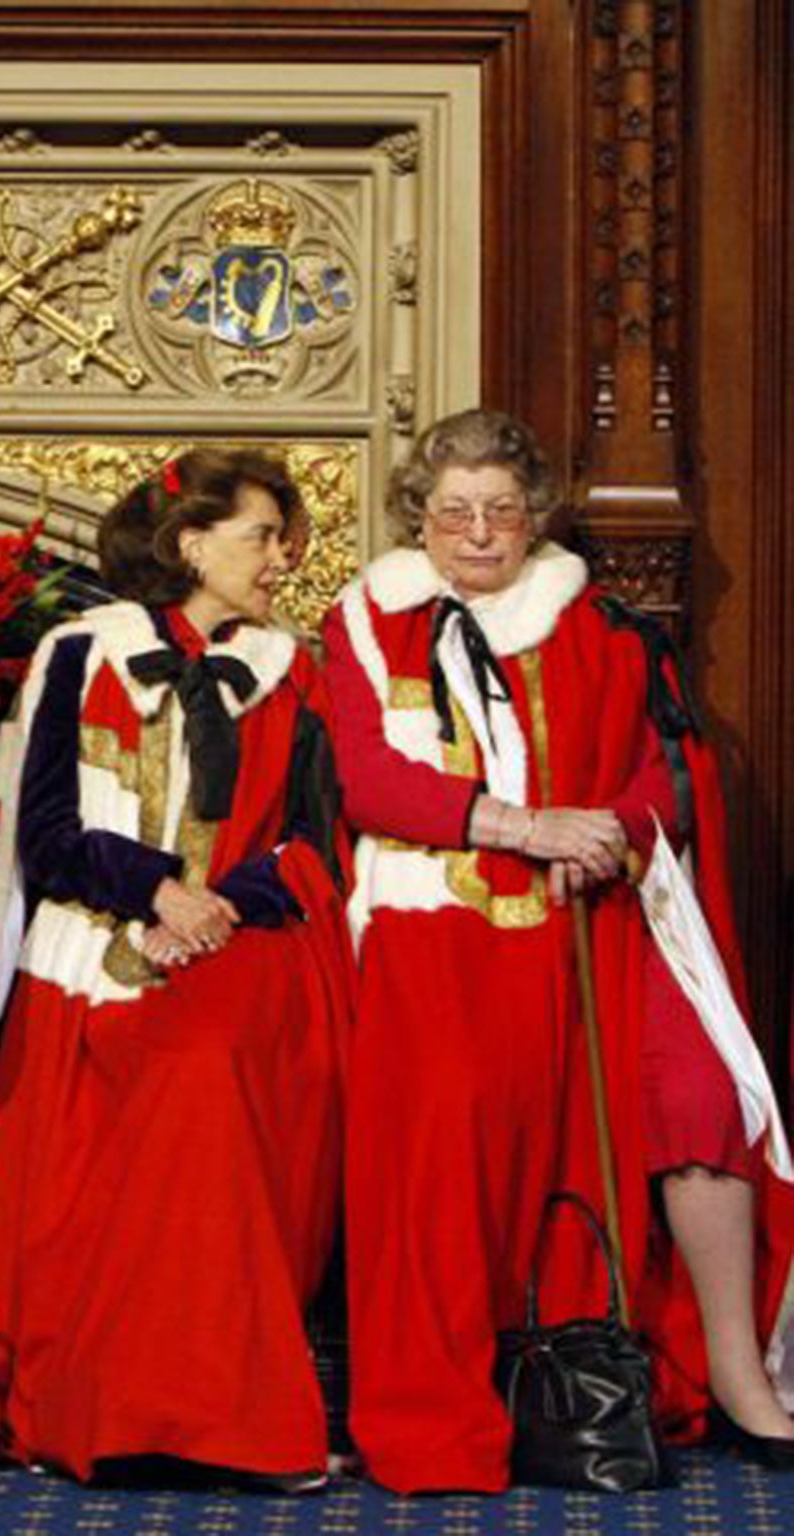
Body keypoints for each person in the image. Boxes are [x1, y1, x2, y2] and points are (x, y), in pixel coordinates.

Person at [328, 408, 794, 1493]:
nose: (477, 533)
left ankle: (670, 1382)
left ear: (533, 519)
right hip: (431, 933)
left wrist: (607, 835)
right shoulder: (366, 620)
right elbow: (358, 774)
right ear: (420, 520)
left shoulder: (601, 627)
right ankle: (448, 1414)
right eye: (453, 514)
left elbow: (660, 772)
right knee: (443, 1163)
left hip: (594, 924)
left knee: (686, 1105)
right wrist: (515, 823)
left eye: (499, 511)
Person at [0, 451, 351, 1490]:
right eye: (260, 534)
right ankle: (105, 1412)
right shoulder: (82, 652)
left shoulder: (294, 673)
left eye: (284, 537)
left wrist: (214, 910)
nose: (280, 558)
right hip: (94, 937)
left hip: (237, 944)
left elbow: (310, 841)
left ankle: (218, 1412)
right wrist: (155, 891)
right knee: (157, 1099)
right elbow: (45, 827)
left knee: (222, 1079)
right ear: (188, 544)